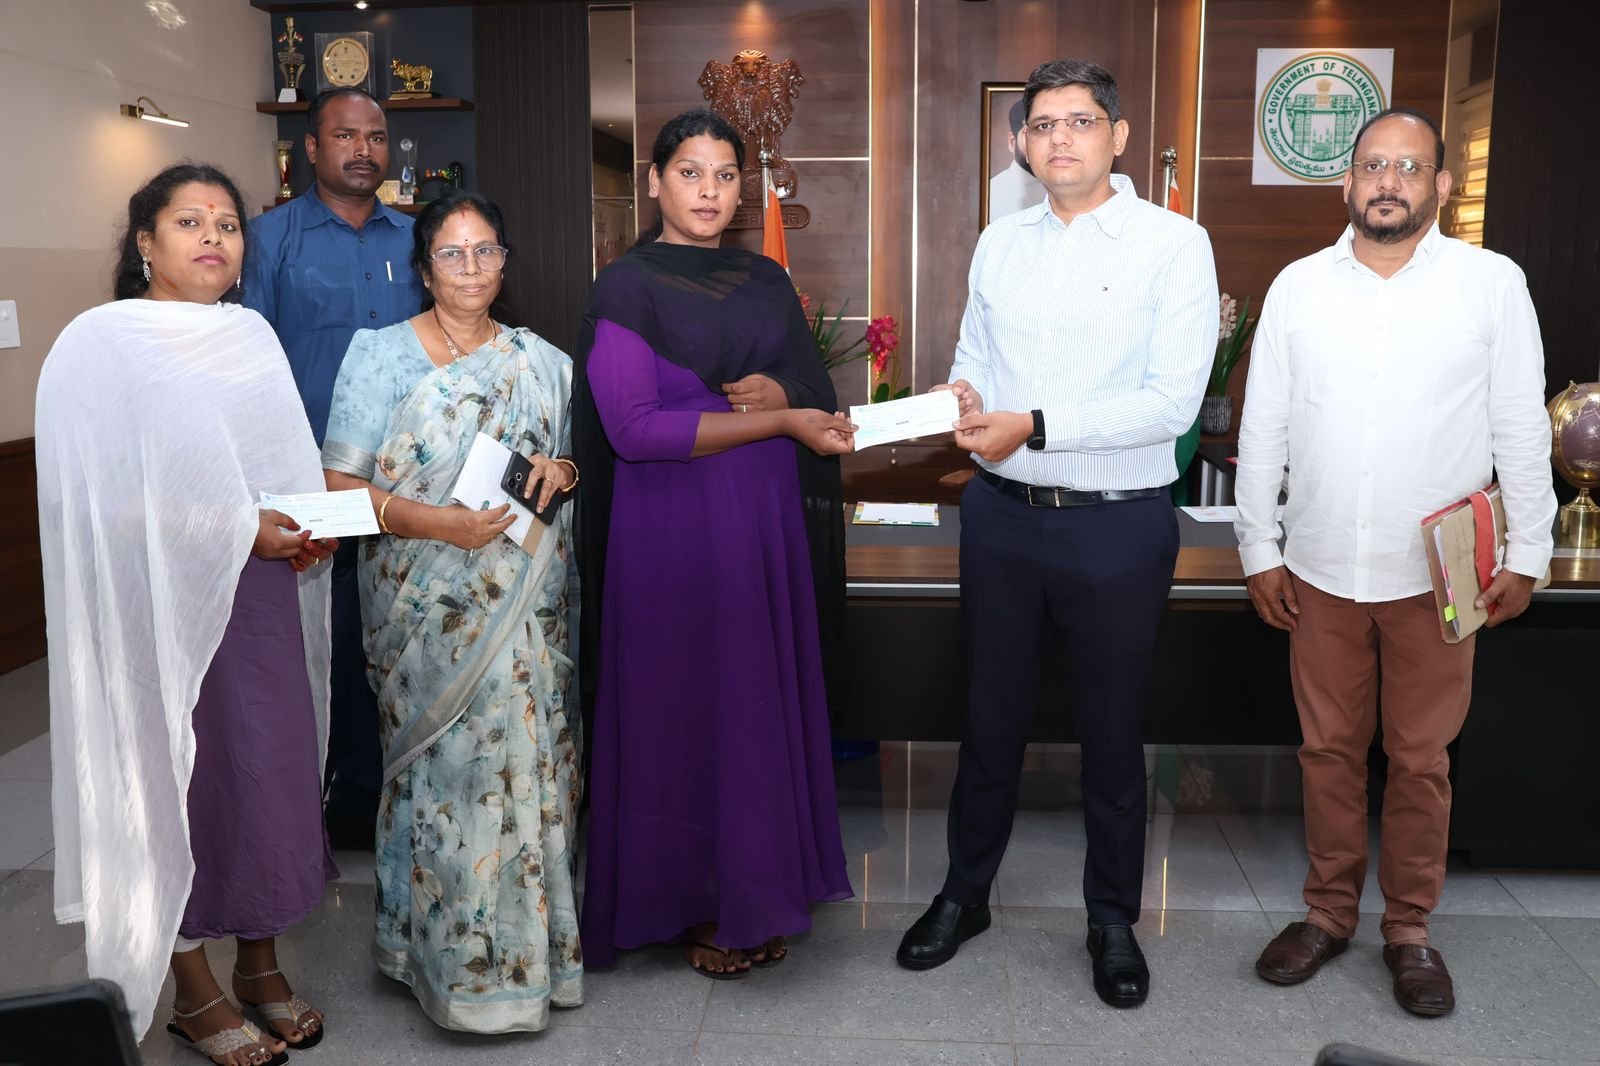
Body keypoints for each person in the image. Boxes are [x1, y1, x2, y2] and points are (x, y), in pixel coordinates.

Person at [895, 59, 1218, 1010]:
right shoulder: (1000, 241)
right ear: (1019, 143)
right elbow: (974, 354)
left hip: (1117, 526)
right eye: (1042, 124)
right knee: (988, 721)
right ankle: (964, 895)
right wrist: (964, 397)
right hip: (1001, 516)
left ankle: (1112, 918)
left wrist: (1033, 424)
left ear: (1118, 136)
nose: (1060, 139)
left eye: (1081, 121)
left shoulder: (1175, 243)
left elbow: (1171, 403)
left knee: (1111, 735)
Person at [1234, 107, 1556, 1017]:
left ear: (1441, 186)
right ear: (1347, 183)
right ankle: (1328, 914)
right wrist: (1259, 547)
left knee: (1420, 760)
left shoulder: (1492, 284)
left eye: (1409, 168)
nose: (1388, 182)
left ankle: (1409, 930)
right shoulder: (1299, 286)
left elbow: (1521, 425)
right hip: (1320, 566)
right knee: (1328, 752)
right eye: (1373, 165)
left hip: (1441, 573)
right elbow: (1264, 428)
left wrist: (1530, 551)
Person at [38, 163, 338, 1065]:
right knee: (178, 781)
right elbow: (91, 495)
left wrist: (303, 527)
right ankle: (193, 990)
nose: (213, 236)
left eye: (228, 224)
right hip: (155, 605)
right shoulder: (103, 342)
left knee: (267, 774)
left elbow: (281, 467)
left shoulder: (251, 336)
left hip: (259, 598)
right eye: (189, 221)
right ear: (145, 242)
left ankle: (260, 965)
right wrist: (235, 526)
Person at [575, 108, 856, 979]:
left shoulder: (765, 278)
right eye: (690, 172)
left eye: (726, 175)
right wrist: (779, 418)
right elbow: (633, 431)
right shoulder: (626, 286)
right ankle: (692, 902)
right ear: (654, 182)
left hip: (761, 534)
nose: (709, 191)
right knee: (683, 712)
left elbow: (814, 386)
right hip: (671, 534)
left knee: (749, 710)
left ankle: (754, 892)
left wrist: (782, 391)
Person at [320, 192, 583, 1032]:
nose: (471, 268)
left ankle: (529, 969)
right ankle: (433, 962)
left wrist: (563, 472)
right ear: (424, 267)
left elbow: (562, 461)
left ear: (505, 261)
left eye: (486, 251)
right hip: (423, 612)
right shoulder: (379, 357)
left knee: (524, 768)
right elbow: (338, 489)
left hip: (524, 607)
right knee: (446, 777)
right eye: (452, 253)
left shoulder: (541, 362)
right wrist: (442, 526)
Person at [245, 88, 424, 851]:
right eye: (345, 135)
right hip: (314, 481)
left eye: (376, 136)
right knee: (330, 642)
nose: (363, 149)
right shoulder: (268, 240)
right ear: (311, 149)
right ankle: (341, 797)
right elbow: (246, 364)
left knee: (404, 639)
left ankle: (400, 789)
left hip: (412, 484)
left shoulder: (419, 239)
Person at [987, 97, 1046, 222]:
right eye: (1030, 131)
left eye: (1045, 127)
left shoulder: (1072, 186)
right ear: (1012, 142)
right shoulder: (992, 192)